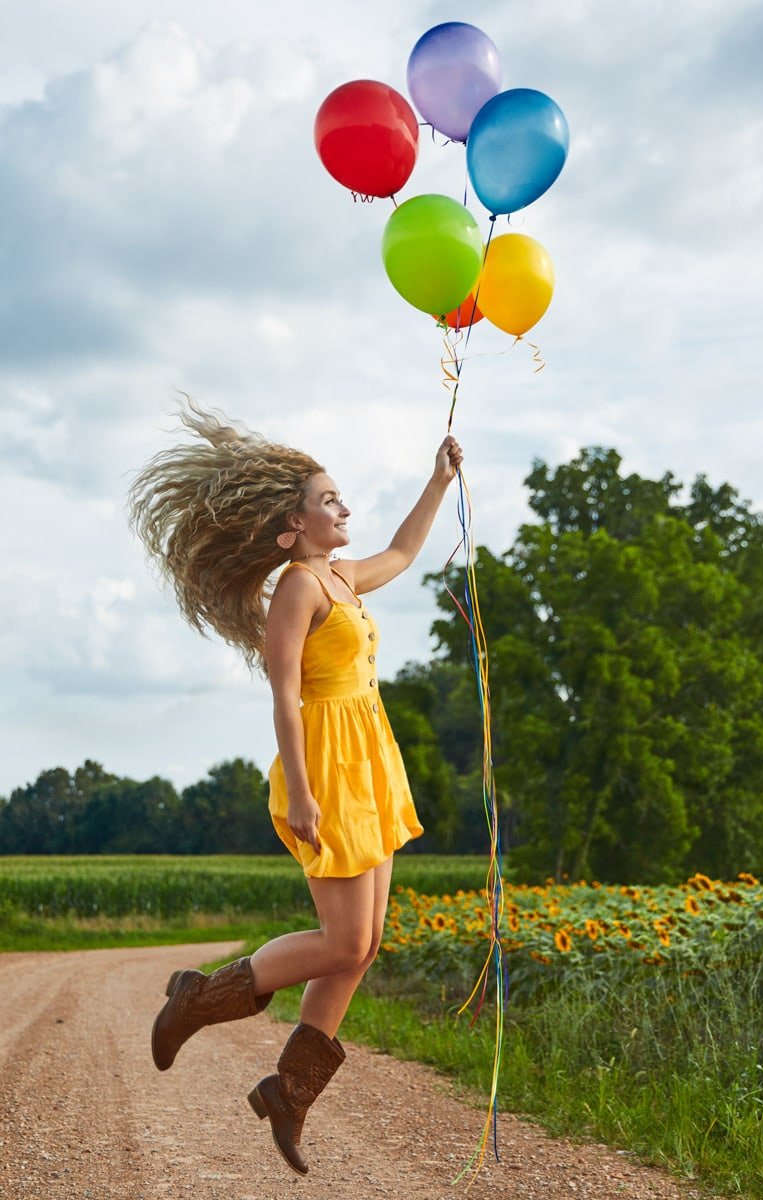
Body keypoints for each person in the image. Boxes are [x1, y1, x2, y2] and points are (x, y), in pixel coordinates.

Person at [128, 401, 463, 1175]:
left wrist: (438, 480)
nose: (344, 507)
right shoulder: (296, 590)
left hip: (370, 761)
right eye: (329, 500)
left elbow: (407, 551)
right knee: (342, 940)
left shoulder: (343, 577)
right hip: (328, 767)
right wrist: (303, 793)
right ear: (294, 524)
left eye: (341, 497)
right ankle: (198, 1000)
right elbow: (283, 695)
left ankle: (290, 1094)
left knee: (364, 946)